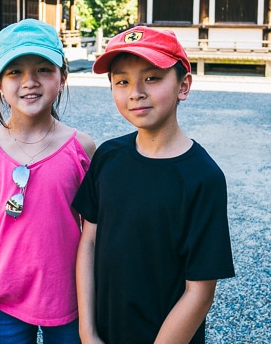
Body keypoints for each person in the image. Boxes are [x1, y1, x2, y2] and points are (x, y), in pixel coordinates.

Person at [73, 26, 235, 344]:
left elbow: (199, 291)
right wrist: (87, 331)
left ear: (183, 86)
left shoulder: (203, 178)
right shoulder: (108, 157)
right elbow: (88, 242)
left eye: (152, 78)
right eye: (122, 81)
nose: (135, 92)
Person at [0, 18, 96, 344]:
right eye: (15, 72)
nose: (29, 82)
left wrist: (94, 316)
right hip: (6, 305)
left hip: (71, 303)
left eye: (43, 69)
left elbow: (95, 237)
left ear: (62, 78)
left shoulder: (83, 150)